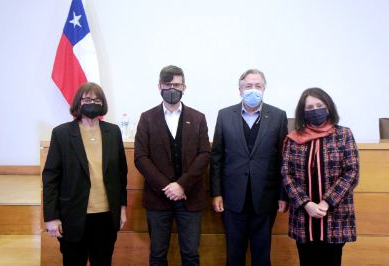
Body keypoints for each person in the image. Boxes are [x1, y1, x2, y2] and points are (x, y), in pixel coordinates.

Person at [42, 82, 128, 266]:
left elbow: (121, 174)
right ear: (78, 103)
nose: (92, 103)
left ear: (103, 103)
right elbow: (50, 178)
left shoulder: (113, 132)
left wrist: (122, 207)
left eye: (97, 99)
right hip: (72, 216)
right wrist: (51, 216)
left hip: (105, 216)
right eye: (87, 99)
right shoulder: (62, 133)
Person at [210, 68, 288, 266]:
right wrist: (216, 193)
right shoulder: (225, 115)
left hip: (265, 198)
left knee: (262, 256)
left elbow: (283, 159)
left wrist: (282, 195)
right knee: (234, 255)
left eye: (258, 86)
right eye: (248, 86)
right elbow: (217, 157)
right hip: (232, 199)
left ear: (264, 88)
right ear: (240, 89)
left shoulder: (278, 116)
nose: (253, 90)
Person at [134, 65, 210, 266]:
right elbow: (141, 157)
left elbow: (204, 155)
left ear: (184, 87)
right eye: (168, 84)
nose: (172, 89)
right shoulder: (147, 118)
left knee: (191, 255)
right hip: (158, 198)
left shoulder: (198, 118)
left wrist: (182, 185)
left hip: (190, 197)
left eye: (176, 84)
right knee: (158, 255)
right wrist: (167, 187)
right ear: (159, 86)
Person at [281, 87, 359, 266]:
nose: (314, 110)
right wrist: (306, 204)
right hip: (303, 216)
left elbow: (351, 172)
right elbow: (286, 174)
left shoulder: (343, 135)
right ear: (303, 112)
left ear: (328, 107)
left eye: (319, 105)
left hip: (334, 215)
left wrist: (326, 203)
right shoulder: (294, 138)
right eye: (309, 108)